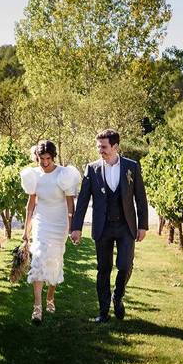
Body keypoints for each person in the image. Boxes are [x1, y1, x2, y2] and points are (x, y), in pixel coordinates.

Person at [70, 129, 148, 322]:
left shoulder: (132, 166)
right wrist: (76, 227)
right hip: (102, 227)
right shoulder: (92, 168)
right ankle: (103, 312)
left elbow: (140, 198)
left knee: (124, 265)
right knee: (103, 269)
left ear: (115, 146)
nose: (100, 151)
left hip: (126, 226)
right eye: (98, 147)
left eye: (103, 147)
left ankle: (118, 297)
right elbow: (82, 200)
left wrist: (143, 225)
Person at [20, 140, 81, 323]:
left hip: (59, 223)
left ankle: (50, 298)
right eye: (41, 158)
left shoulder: (64, 174)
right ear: (36, 157)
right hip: (41, 222)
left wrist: (72, 227)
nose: (45, 162)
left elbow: (70, 203)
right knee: (38, 259)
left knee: (54, 262)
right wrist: (26, 230)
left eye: (48, 158)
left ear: (53, 157)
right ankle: (37, 308)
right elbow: (30, 205)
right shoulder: (33, 176)